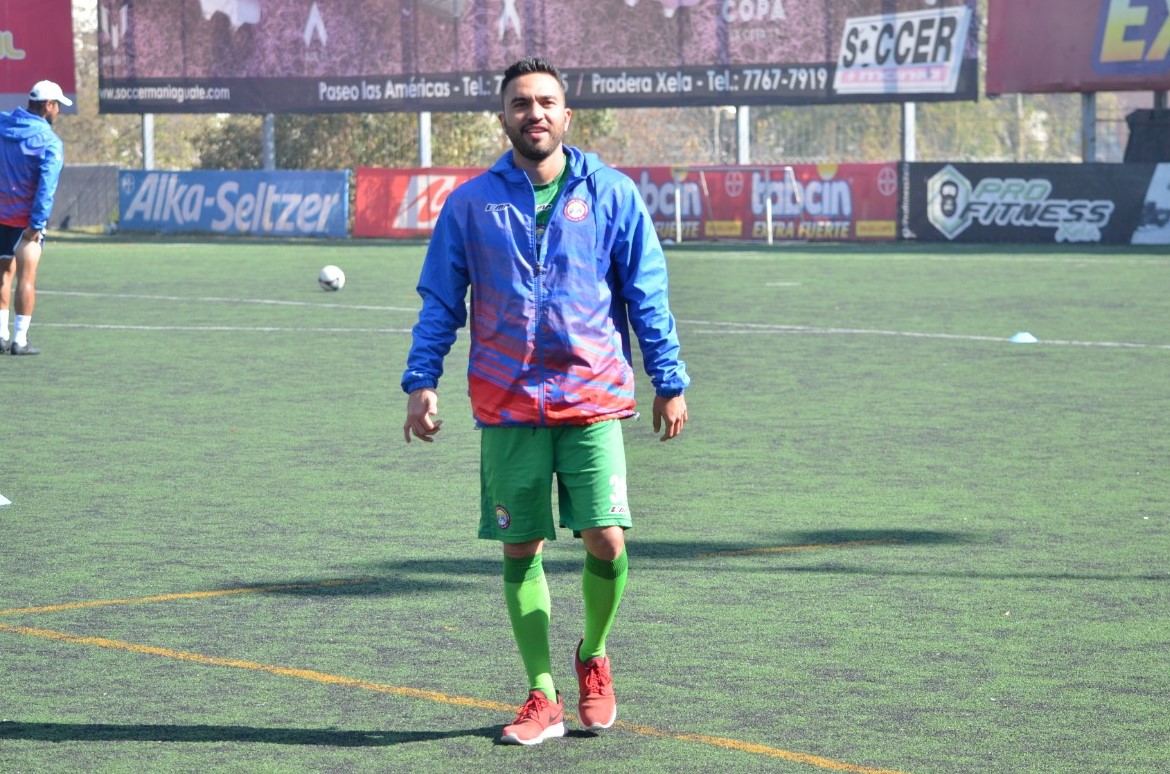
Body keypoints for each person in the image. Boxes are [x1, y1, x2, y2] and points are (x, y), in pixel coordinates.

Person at [401, 57, 690, 746]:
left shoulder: (613, 194)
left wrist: (669, 379)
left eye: (546, 102)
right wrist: (421, 380)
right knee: (519, 545)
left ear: (566, 115)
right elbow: (442, 300)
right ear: (503, 117)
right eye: (521, 103)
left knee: (607, 539)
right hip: (506, 404)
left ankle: (593, 655)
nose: (535, 113)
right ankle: (541, 694)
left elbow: (645, 292)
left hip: (592, 398)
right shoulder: (470, 204)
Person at [0, 80, 70, 356]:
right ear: (48, 106)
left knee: (3, 275)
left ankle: (0, 335)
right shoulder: (50, 141)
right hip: (25, 223)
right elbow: (46, 187)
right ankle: (19, 340)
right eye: (58, 107)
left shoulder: (3, 125)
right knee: (26, 277)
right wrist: (37, 224)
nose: (59, 113)